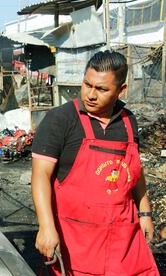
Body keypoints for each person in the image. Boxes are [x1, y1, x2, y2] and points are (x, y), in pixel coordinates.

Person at [31, 50, 159, 275]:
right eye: (87, 84)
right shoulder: (60, 119)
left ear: (121, 90)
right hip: (76, 239)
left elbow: (135, 172)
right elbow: (40, 175)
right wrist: (46, 227)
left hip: (122, 237)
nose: (90, 94)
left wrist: (145, 213)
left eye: (101, 89)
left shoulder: (129, 122)